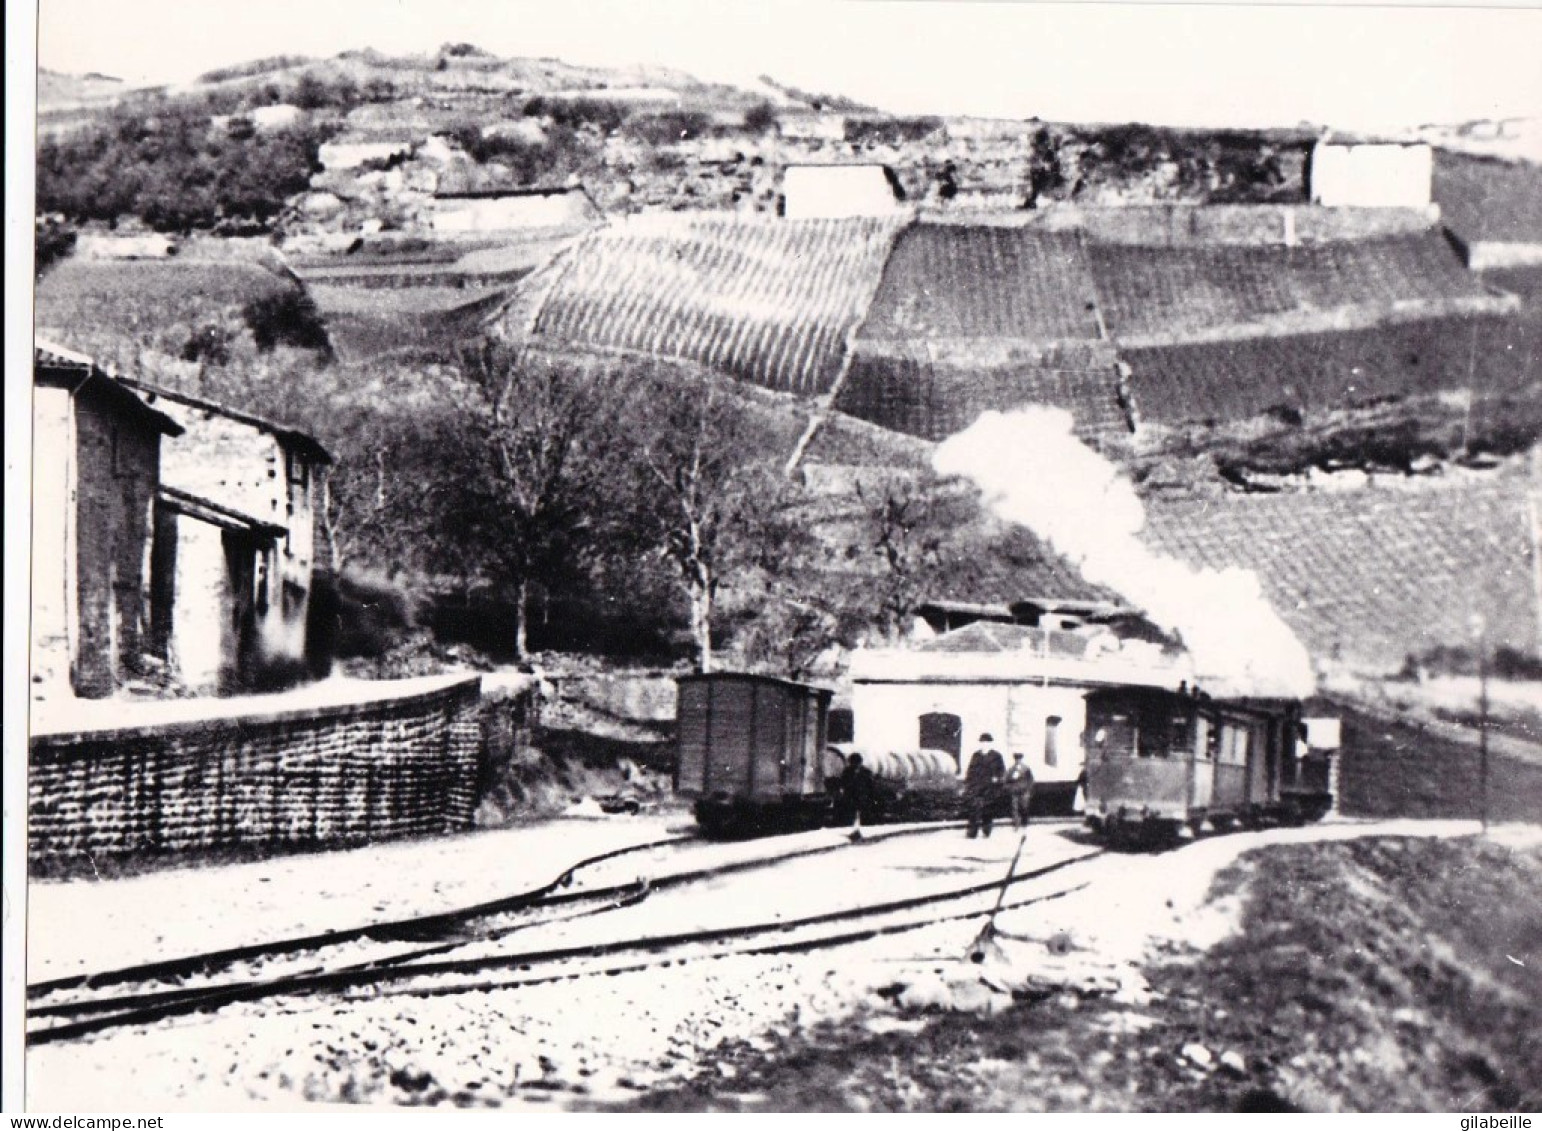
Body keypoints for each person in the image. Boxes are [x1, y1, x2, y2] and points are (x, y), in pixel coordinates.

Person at [963, 734, 1006, 839]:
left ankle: (987, 830)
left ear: (991, 744)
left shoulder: (997, 756)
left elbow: (1002, 771)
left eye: (986, 743)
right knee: (974, 809)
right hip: (976, 787)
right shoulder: (976, 755)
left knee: (988, 810)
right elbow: (970, 770)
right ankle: (972, 833)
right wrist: (968, 784)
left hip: (990, 788)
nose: (984, 745)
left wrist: (998, 779)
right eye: (982, 743)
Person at [838, 752, 875, 840]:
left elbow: (871, 786)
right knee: (852, 814)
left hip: (862, 797)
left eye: (856, 762)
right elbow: (842, 783)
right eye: (853, 762)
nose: (854, 764)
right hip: (851, 797)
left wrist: (870, 797)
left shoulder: (866, 772)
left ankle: (857, 831)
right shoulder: (847, 771)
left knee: (859, 815)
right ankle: (854, 831)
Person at [1006, 752, 1036, 830]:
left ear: (1021, 759)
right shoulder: (1011, 769)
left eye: (1019, 759)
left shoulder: (1026, 769)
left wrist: (1029, 789)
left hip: (1024, 792)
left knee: (1024, 807)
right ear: (1014, 760)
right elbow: (1006, 780)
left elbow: (1031, 780)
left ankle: (1024, 823)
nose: (1018, 761)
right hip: (1014, 791)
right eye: (1016, 759)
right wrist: (1010, 788)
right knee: (1014, 808)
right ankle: (1016, 824)